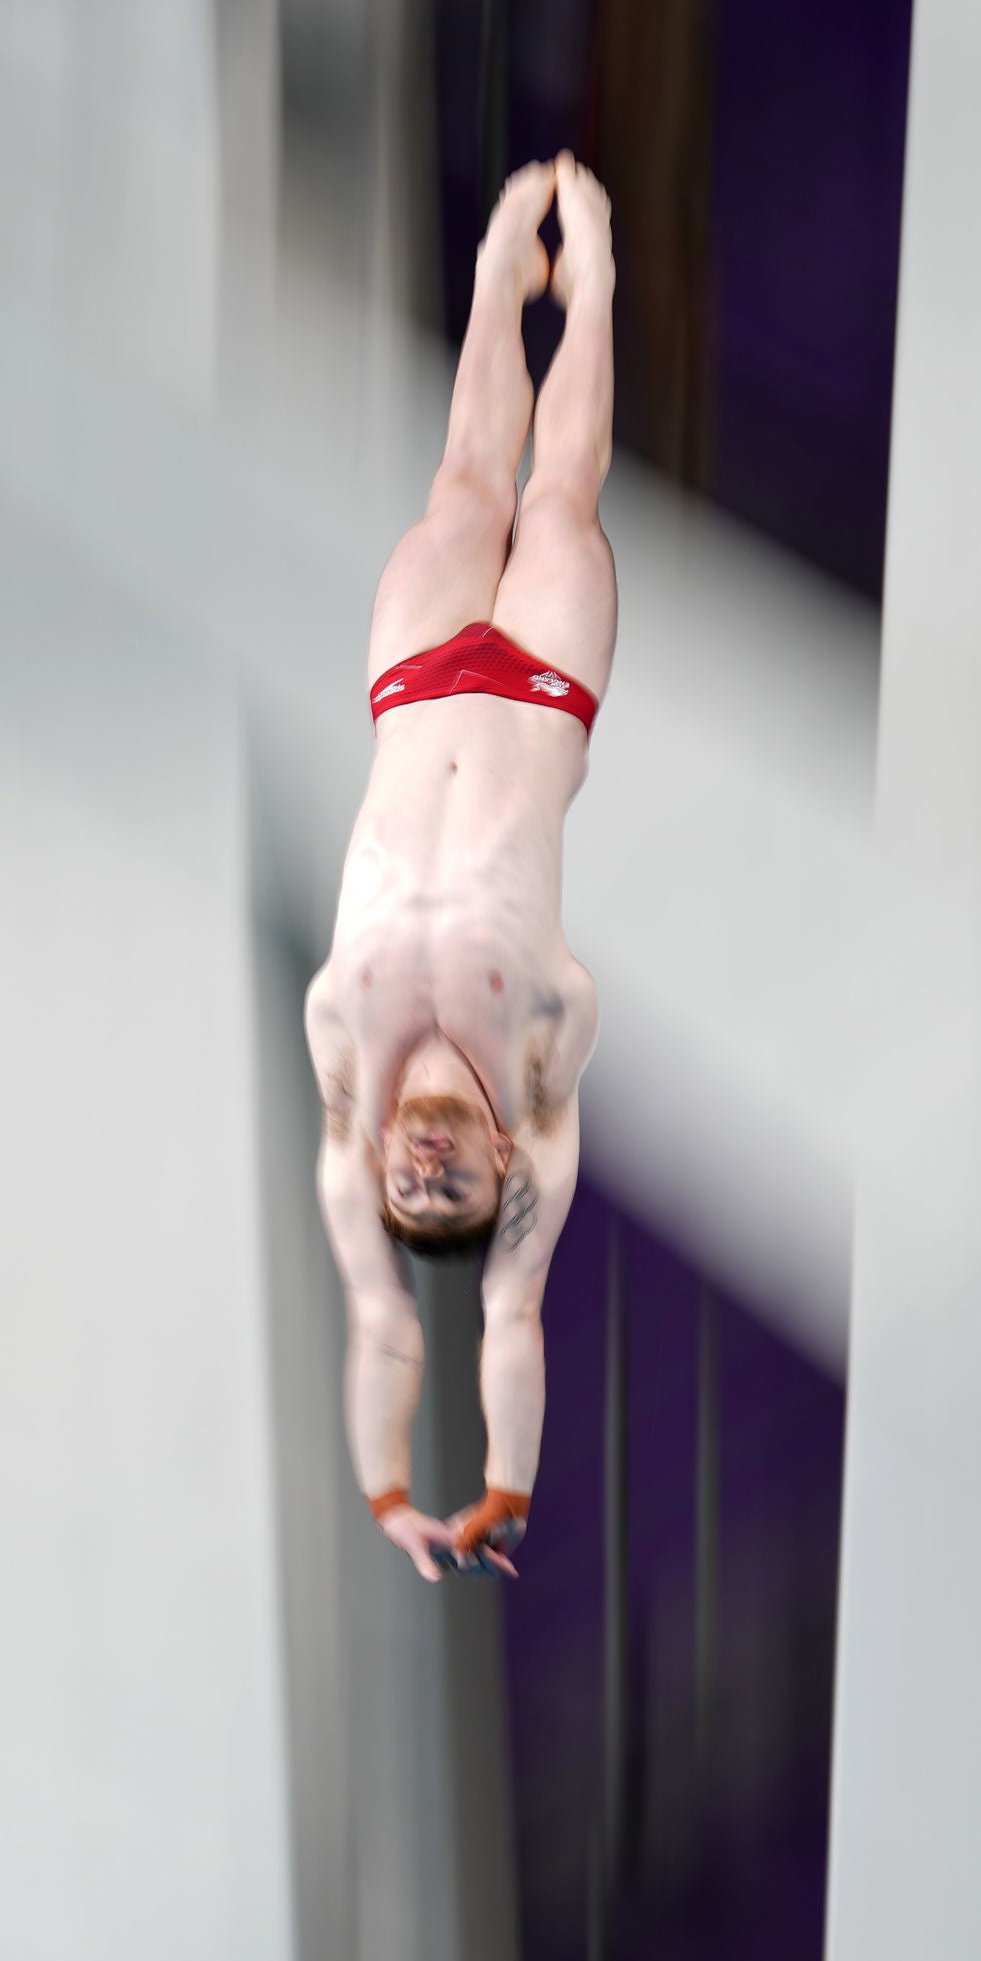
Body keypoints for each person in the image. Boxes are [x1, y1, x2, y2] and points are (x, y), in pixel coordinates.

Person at [307, 154, 613, 1584]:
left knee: (462, 479)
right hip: (543, 687)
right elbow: (506, 1322)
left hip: (415, 679)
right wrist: (505, 1481)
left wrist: (382, 1491)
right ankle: (592, 274)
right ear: (502, 1166)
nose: (425, 1170)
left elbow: (383, 1320)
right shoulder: (540, 1071)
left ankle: (501, 260)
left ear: (375, 1158)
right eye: (456, 1190)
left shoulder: (343, 1062)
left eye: (405, 1186)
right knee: (554, 502)